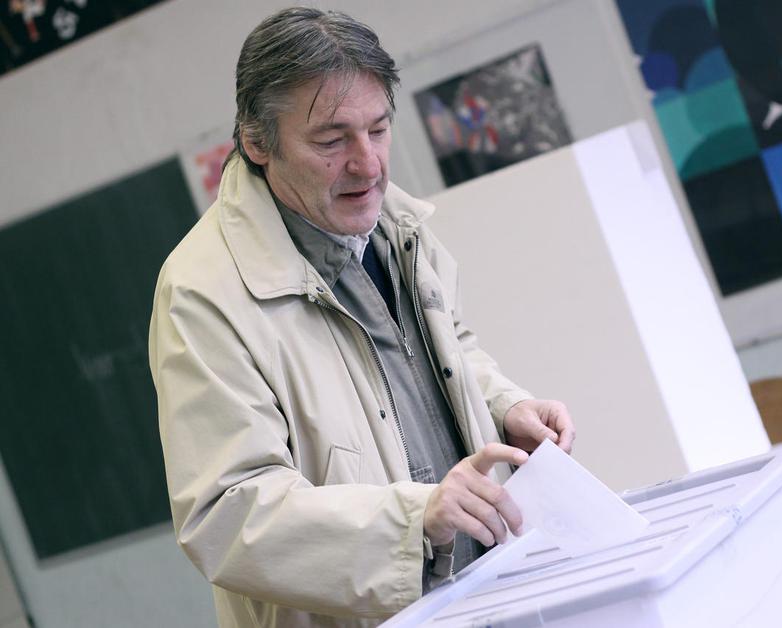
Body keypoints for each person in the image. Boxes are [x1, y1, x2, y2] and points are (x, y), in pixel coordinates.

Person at [148, 7, 575, 628]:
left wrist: (506, 406)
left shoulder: (398, 224)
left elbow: (447, 352)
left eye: (378, 129)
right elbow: (226, 512)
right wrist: (412, 523)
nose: (369, 164)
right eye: (331, 141)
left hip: (486, 596)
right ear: (257, 142)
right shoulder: (202, 293)